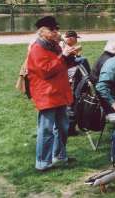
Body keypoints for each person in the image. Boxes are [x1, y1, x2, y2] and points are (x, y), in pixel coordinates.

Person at [27, 16, 80, 171]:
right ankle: (42, 162)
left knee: (63, 127)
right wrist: (63, 56)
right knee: (46, 129)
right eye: (53, 29)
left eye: (57, 28)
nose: (57, 32)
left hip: (59, 92)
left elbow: (62, 65)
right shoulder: (37, 48)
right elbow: (46, 71)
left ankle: (59, 155)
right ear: (43, 32)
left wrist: (70, 57)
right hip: (47, 95)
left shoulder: (55, 46)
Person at [60, 30, 90, 136]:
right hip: (68, 77)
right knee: (71, 103)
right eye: (76, 38)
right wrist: (75, 50)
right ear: (70, 39)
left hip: (68, 75)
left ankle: (88, 80)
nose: (76, 40)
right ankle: (70, 129)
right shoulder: (63, 45)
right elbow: (66, 55)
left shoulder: (64, 45)